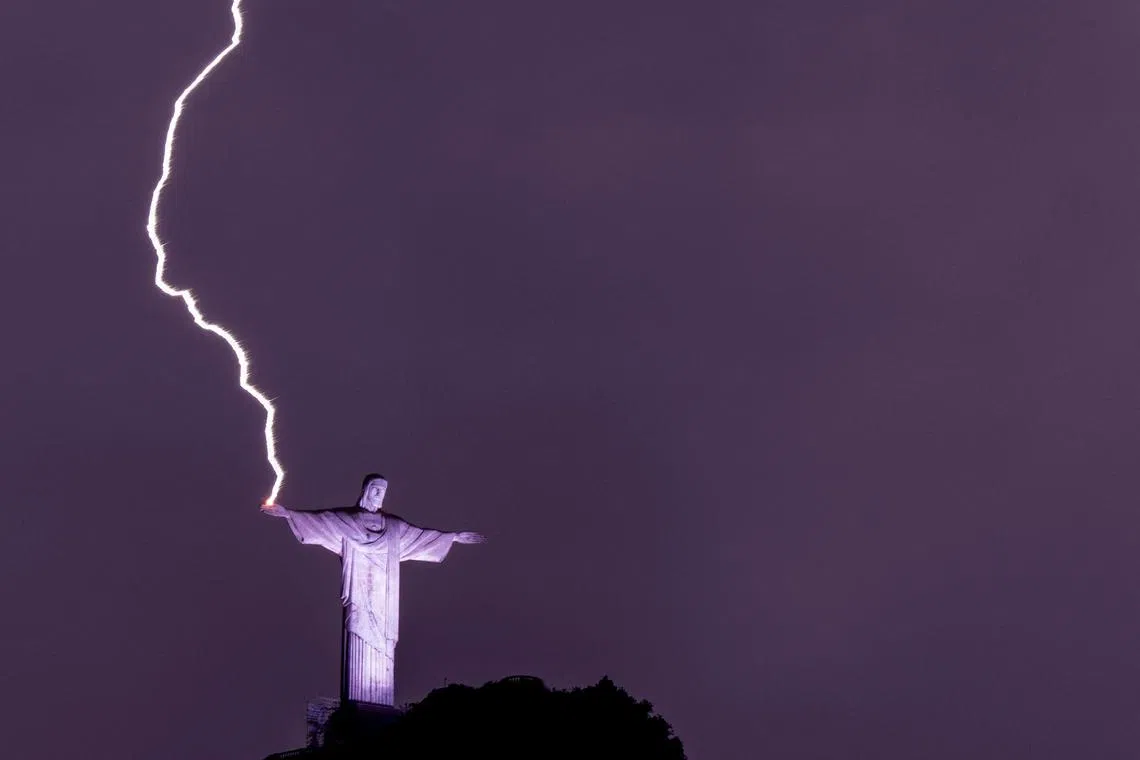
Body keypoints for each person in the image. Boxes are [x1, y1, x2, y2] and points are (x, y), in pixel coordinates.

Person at [263, 473, 485, 705]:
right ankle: (358, 706)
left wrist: (454, 538)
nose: (380, 496)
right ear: (366, 491)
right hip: (359, 595)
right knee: (358, 634)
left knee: (383, 646)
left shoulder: (393, 528)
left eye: (384, 492)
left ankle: (378, 707)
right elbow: (320, 522)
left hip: (384, 601)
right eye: (376, 491)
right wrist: (288, 514)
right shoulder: (348, 521)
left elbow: (421, 537)